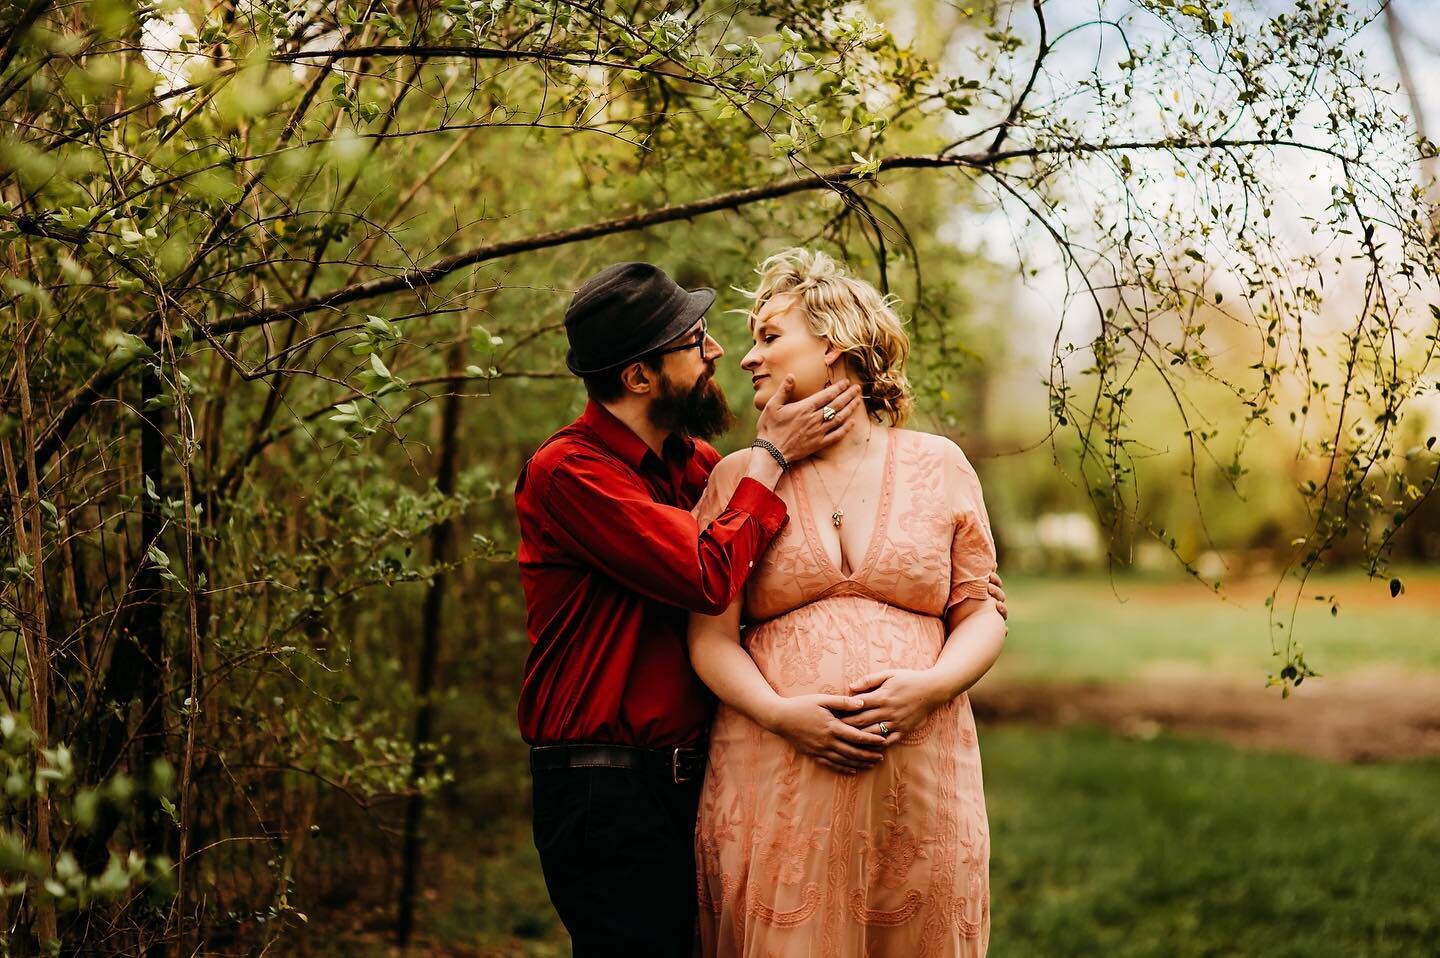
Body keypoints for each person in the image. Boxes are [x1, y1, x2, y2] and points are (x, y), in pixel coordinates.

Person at [513, 261, 870, 956]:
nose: (716, 355)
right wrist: (770, 453)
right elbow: (705, 575)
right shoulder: (571, 473)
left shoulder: (698, 465)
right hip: (605, 788)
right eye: (695, 340)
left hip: (700, 777)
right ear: (639, 377)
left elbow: (760, 574)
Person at [689, 249, 1007, 956]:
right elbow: (709, 639)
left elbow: (980, 611)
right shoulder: (738, 478)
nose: (746, 359)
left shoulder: (939, 463)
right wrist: (781, 714)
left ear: (832, 343)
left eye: (769, 336)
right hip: (775, 775)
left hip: (922, 782)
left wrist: (929, 688)